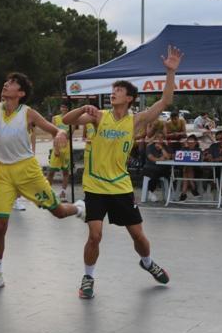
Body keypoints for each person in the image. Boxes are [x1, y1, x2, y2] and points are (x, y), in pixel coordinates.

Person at [63, 45, 182, 299]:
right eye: (113, 90)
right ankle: (88, 277)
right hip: (94, 186)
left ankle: (148, 262)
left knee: (138, 236)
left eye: (118, 91)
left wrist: (170, 72)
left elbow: (165, 101)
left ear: (129, 98)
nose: (113, 93)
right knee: (95, 236)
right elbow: (67, 121)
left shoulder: (135, 121)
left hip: (120, 186)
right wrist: (83, 108)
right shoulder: (99, 116)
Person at [0, 44, 85, 292]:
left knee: (58, 212)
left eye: (11, 83)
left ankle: (77, 209)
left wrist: (59, 136)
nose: (5, 85)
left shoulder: (28, 113)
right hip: (3, 173)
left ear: (20, 93)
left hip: (27, 171)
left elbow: (57, 129)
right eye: (5, 82)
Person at [47, 104, 71, 202]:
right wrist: (56, 147)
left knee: (65, 172)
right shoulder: (55, 118)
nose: (63, 109)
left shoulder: (71, 118)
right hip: (57, 147)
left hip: (66, 148)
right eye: (62, 107)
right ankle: (48, 193)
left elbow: (70, 135)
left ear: (68, 109)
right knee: (51, 171)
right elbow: (53, 133)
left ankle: (63, 193)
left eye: (65, 107)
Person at [144, 131, 173, 202]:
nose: (160, 139)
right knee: (155, 171)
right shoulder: (150, 147)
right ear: (155, 139)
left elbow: (168, 157)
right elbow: (151, 158)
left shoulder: (165, 147)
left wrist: (162, 149)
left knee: (169, 173)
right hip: (150, 167)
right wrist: (160, 159)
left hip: (163, 168)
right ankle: (151, 191)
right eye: (158, 137)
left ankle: (169, 194)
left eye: (161, 138)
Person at [176, 134, 202, 202]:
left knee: (188, 169)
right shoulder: (184, 149)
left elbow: (199, 160)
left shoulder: (198, 150)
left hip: (196, 170)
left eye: (192, 141)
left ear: (196, 142)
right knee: (186, 169)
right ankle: (193, 188)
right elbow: (179, 157)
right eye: (188, 141)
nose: (190, 143)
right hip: (184, 169)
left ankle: (184, 193)